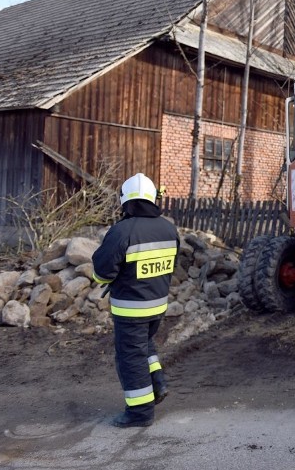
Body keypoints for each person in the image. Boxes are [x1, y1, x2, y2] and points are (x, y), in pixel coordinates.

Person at [92, 173, 180, 428]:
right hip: (158, 304)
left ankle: (140, 413)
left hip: (131, 309)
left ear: (125, 200)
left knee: (130, 356)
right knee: (144, 346)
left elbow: (101, 273)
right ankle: (157, 383)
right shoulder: (168, 228)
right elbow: (171, 265)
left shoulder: (122, 231)